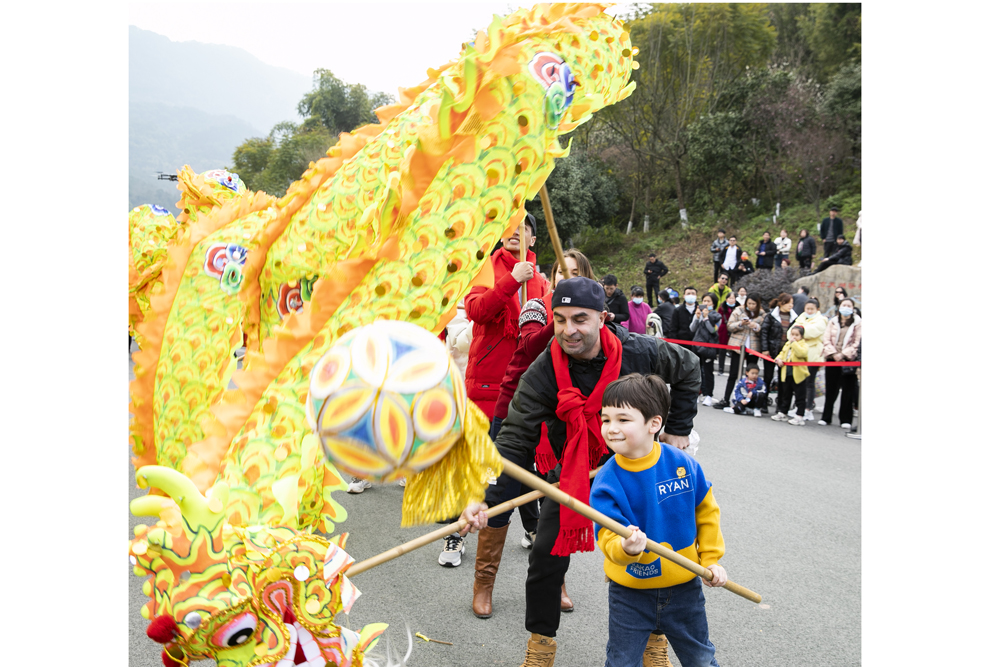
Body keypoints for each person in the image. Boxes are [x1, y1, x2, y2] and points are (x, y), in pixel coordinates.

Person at [459, 277, 701, 667]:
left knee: (655, 553)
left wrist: (678, 429)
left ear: (603, 318)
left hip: (633, 472)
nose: (568, 330)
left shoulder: (639, 351)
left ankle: (656, 639)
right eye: (560, 319)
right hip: (572, 475)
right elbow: (513, 439)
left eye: (580, 319)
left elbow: (689, 367)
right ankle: (540, 647)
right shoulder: (544, 370)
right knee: (544, 557)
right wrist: (481, 498)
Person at [472, 249, 596, 618]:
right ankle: (483, 583)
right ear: (551, 276)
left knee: (556, 503)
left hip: (559, 426)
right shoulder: (537, 307)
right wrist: (566, 322)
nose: (565, 278)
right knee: (499, 498)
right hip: (516, 416)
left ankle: (554, 580)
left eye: (574, 272)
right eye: (560, 271)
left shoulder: (590, 319)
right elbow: (529, 345)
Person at [591, 373, 726, 667]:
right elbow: (606, 536)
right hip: (630, 593)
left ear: (654, 423)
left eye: (623, 420)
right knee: (622, 662)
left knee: (701, 659)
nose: (611, 428)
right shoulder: (606, 481)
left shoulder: (683, 464)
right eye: (605, 419)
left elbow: (706, 512)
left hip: (685, 586)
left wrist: (711, 559)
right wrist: (626, 548)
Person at [444, 214, 546, 565]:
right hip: (488, 382)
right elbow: (475, 310)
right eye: (509, 228)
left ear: (533, 240)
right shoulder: (486, 268)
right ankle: (454, 536)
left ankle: (532, 526)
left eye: (523, 229)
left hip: (528, 385)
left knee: (522, 463)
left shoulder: (542, 281)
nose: (515, 234)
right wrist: (509, 281)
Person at [715, 293, 764, 410]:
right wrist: (741, 323)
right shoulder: (738, 310)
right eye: (749, 303)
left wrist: (755, 326)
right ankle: (726, 399)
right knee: (733, 373)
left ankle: (751, 402)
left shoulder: (762, 314)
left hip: (753, 348)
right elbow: (729, 326)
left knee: (752, 375)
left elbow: (763, 330)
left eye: (753, 304)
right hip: (738, 346)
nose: (751, 306)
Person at [818, 298, 862, 428]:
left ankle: (845, 419)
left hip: (849, 360)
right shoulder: (832, 321)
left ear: (853, 308)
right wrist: (834, 354)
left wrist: (844, 354)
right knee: (831, 389)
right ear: (839, 307)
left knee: (848, 390)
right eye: (844, 305)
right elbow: (826, 339)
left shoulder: (858, 323)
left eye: (849, 305)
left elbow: (857, 343)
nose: (846, 307)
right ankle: (826, 417)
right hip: (833, 359)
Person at [790, 298, 828, 421]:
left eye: (812, 309)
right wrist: (798, 333)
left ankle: (808, 408)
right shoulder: (800, 318)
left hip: (813, 356)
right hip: (798, 355)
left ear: (817, 309)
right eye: (807, 309)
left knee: (809, 383)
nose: (809, 311)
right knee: (799, 383)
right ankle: (799, 406)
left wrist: (798, 332)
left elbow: (811, 332)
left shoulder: (822, 320)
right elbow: (790, 333)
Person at [759, 293, 797, 408]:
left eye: (792, 303)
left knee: (783, 380)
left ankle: (781, 404)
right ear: (781, 303)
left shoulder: (795, 318)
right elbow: (764, 332)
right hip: (771, 351)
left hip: (786, 353)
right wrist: (765, 349)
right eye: (788, 303)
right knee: (768, 377)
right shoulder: (771, 316)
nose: (791, 305)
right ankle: (763, 402)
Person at [771, 325, 810, 425]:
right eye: (792, 334)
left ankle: (800, 416)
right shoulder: (787, 344)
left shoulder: (803, 345)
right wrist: (778, 359)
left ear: (801, 336)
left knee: (800, 396)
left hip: (798, 374)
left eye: (797, 335)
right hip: (787, 373)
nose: (794, 337)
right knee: (786, 394)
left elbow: (801, 353)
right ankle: (783, 412)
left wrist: (794, 344)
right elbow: (782, 353)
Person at [690, 293, 722, 407]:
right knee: (696, 370)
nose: (706, 303)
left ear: (713, 303)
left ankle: (708, 394)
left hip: (709, 347)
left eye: (708, 301)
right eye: (704, 301)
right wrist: (697, 317)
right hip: (697, 346)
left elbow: (713, 330)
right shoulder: (699, 313)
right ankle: (698, 392)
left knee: (708, 372)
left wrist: (707, 318)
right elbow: (692, 328)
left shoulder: (717, 316)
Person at [716, 292, 738, 376]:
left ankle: (733, 369)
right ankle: (721, 368)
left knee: (733, 351)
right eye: (730, 298)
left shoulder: (738, 308)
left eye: (733, 298)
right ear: (726, 299)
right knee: (722, 350)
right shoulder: (722, 307)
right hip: (724, 330)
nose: (732, 300)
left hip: (734, 329)